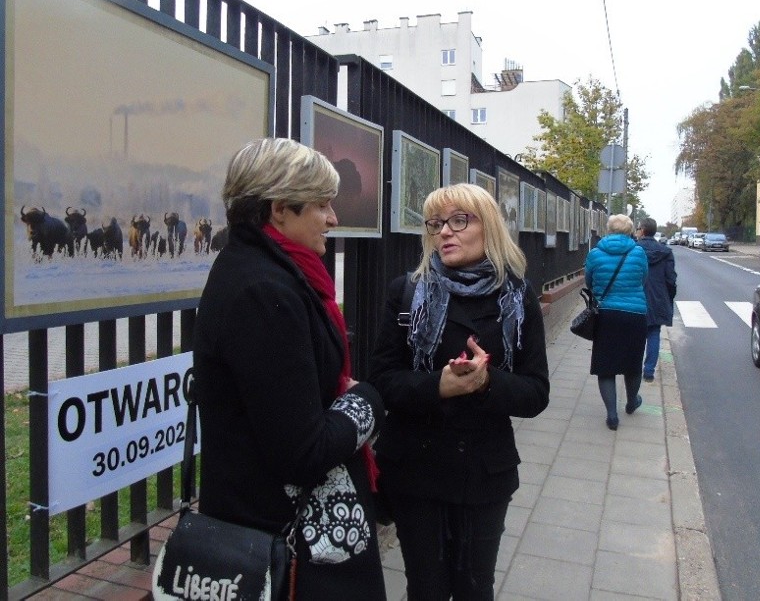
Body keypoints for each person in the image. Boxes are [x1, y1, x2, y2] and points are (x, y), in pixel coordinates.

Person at [192, 138, 387, 600]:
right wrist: (368, 401)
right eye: (322, 205)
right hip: (287, 547)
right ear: (279, 209)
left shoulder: (256, 269)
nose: (333, 218)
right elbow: (302, 452)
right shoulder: (265, 292)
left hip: (276, 530)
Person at [368, 183, 550, 600]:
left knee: (475, 588)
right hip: (416, 469)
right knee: (426, 589)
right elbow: (381, 380)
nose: (444, 232)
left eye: (458, 221)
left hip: (484, 471)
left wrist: (487, 382)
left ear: (489, 228)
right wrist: (440, 386)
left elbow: (536, 392)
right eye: (436, 224)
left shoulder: (518, 297)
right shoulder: (408, 291)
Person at [584, 214, 648, 430]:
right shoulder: (638, 252)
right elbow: (643, 278)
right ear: (629, 230)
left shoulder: (595, 253)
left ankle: (612, 416)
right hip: (635, 315)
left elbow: (589, 282)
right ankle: (632, 402)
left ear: (608, 230)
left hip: (607, 315)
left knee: (606, 366)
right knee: (633, 364)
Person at [635, 218, 677, 381]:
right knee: (654, 333)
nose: (637, 231)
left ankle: (634, 369)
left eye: (639, 229)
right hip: (658, 298)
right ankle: (649, 371)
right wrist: (668, 297)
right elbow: (671, 279)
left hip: (636, 296)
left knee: (636, 334)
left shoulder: (634, 250)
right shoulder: (665, 252)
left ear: (643, 231)